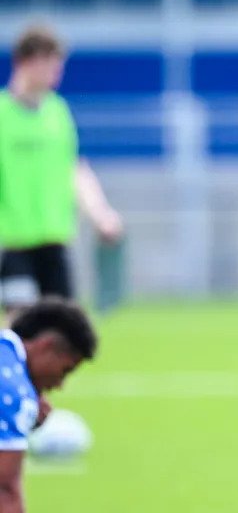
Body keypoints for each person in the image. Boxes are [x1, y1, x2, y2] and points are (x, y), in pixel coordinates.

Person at [0, 25, 123, 315]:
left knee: (63, 335)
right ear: (26, 62)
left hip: (55, 242)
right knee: (24, 328)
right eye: (50, 64)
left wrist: (100, 213)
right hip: (13, 244)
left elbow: (74, 170)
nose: (57, 72)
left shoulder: (58, 113)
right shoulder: (3, 114)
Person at [0, 297, 97, 510]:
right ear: (47, 346)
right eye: (65, 370)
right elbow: (4, 491)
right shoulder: (13, 392)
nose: (60, 384)